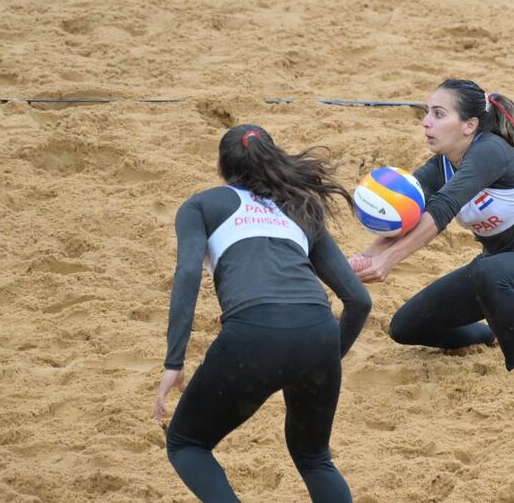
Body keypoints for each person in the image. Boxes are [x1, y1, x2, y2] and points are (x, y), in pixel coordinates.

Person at [153, 124, 372, 503]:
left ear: (221, 169)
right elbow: (358, 301)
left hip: (254, 333)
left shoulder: (202, 205)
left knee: (187, 444)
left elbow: (188, 274)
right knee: (315, 458)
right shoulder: (301, 205)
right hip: (317, 331)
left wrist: (174, 361)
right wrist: (323, 359)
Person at [349, 78, 514, 371]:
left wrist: (389, 260)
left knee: (489, 270)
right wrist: (363, 260)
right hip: (495, 275)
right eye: (426, 112)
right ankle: (490, 334)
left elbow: (442, 211)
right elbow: (405, 217)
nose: (425, 123)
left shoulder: (491, 151)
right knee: (405, 327)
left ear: (469, 125)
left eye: (438, 113)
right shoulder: (440, 166)